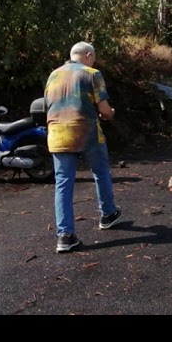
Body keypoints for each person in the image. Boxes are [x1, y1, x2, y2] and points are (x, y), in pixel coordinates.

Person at [45, 41, 123, 253]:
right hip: (85, 132)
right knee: (100, 172)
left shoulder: (53, 75)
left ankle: (65, 236)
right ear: (88, 55)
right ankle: (107, 214)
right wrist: (111, 113)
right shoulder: (92, 74)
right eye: (94, 57)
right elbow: (105, 110)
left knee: (63, 183)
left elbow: (49, 105)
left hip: (57, 134)